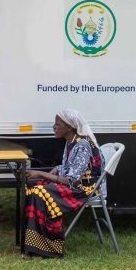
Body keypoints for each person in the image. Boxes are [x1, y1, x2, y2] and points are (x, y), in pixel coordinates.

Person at [22, 109, 106, 259]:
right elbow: (70, 168)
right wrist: (55, 170)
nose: (54, 127)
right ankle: (34, 246)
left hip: (83, 190)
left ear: (69, 127)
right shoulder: (70, 143)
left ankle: (49, 249)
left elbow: (71, 180)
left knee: (40, 193)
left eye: (57, 124)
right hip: (74, 185)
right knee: (32, 186)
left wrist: (42, 173)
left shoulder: (82, 145)